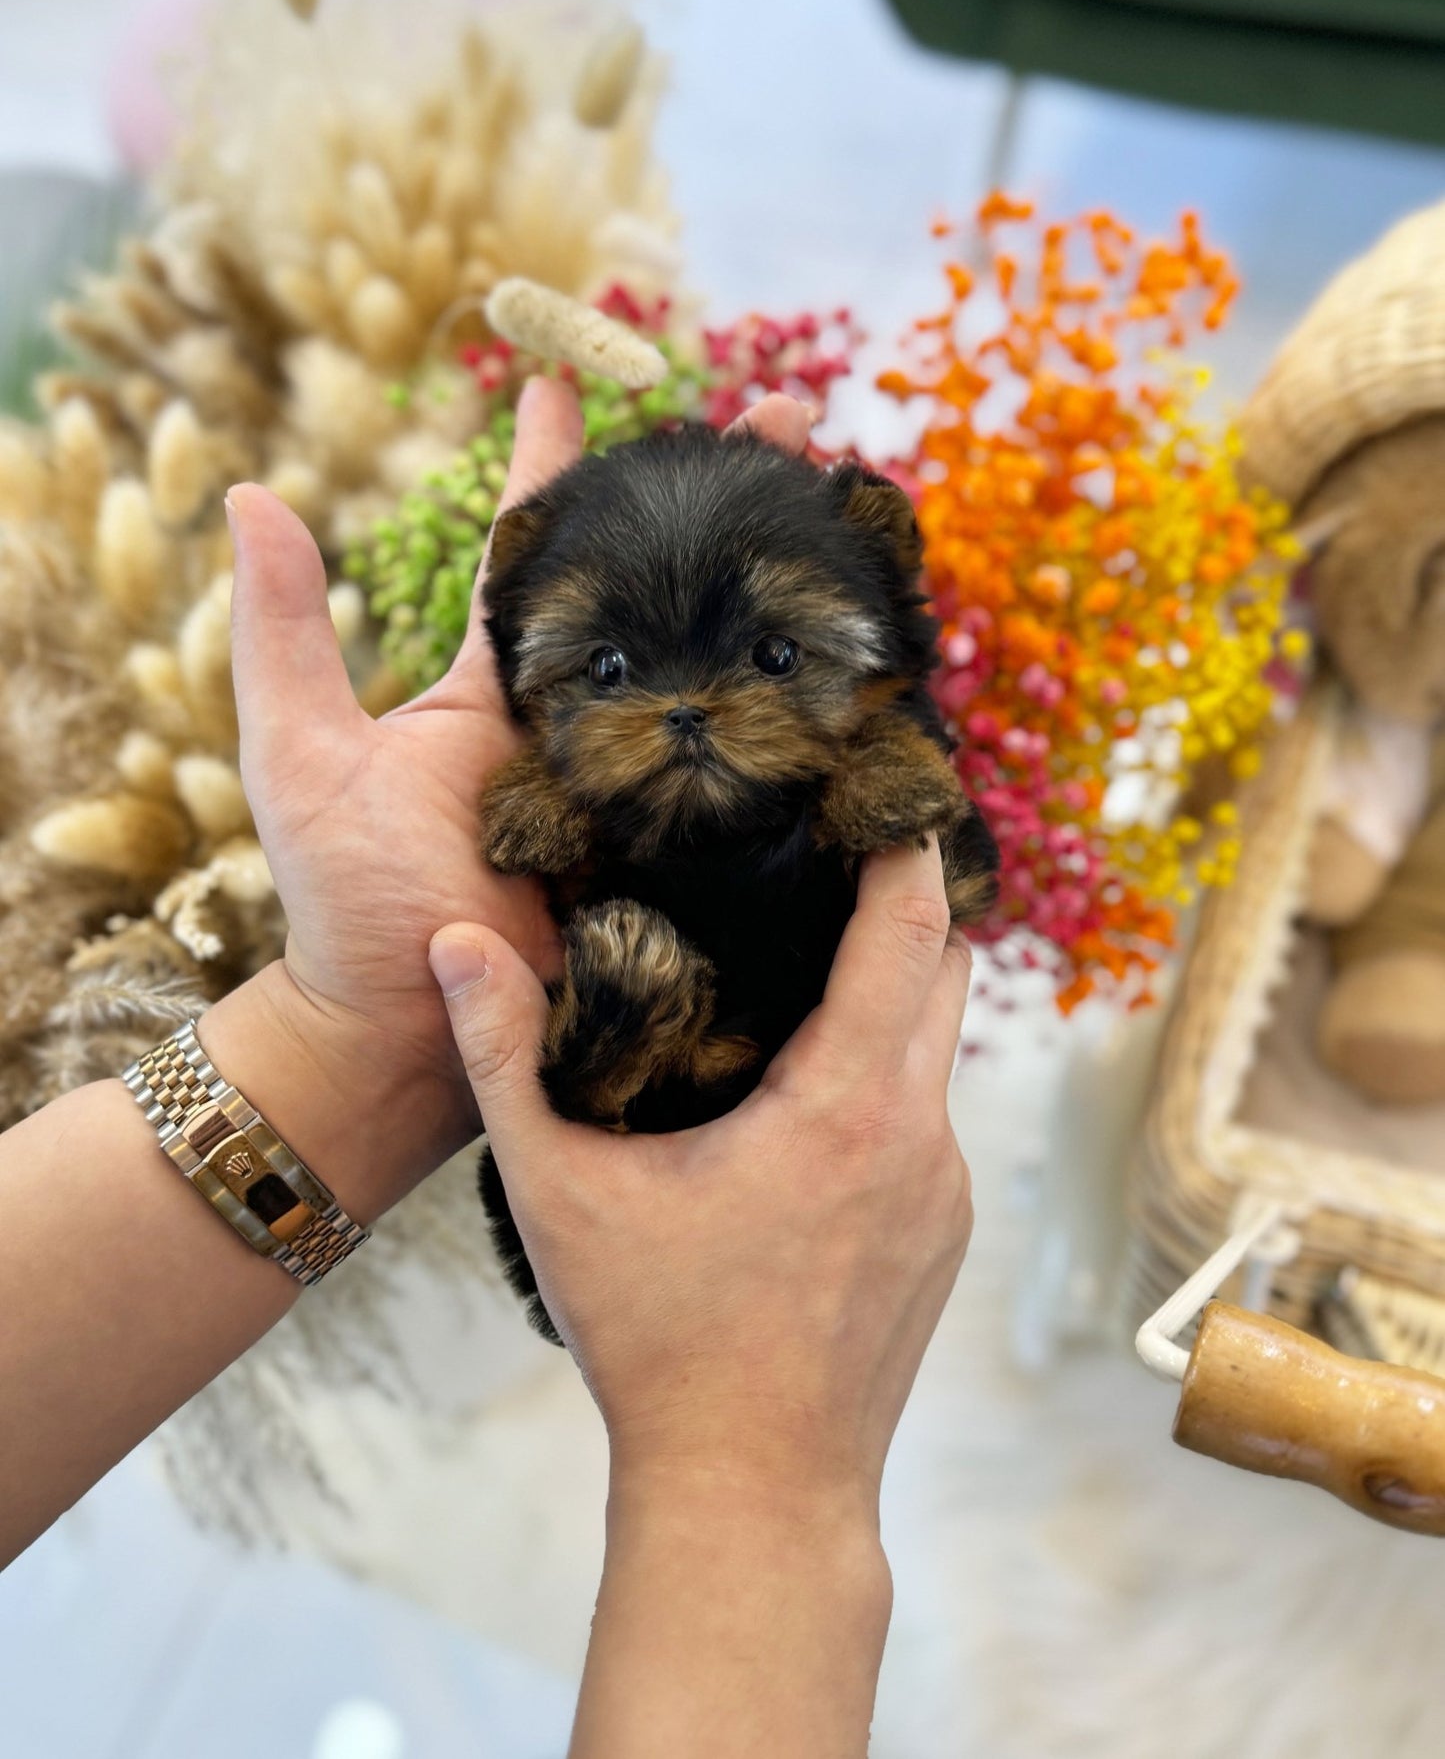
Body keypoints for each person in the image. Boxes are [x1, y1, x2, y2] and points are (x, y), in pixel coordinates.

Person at [0, 379, 974, 1756]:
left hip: (756, 1064)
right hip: (627, 1115)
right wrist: (761, 1470)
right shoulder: (546, 813)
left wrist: (345, 1049)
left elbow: (938, 856)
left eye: (770, 660)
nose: (689, 711)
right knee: (611, 1008)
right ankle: (636, 1040)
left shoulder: (882, 758)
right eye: (614, 674)